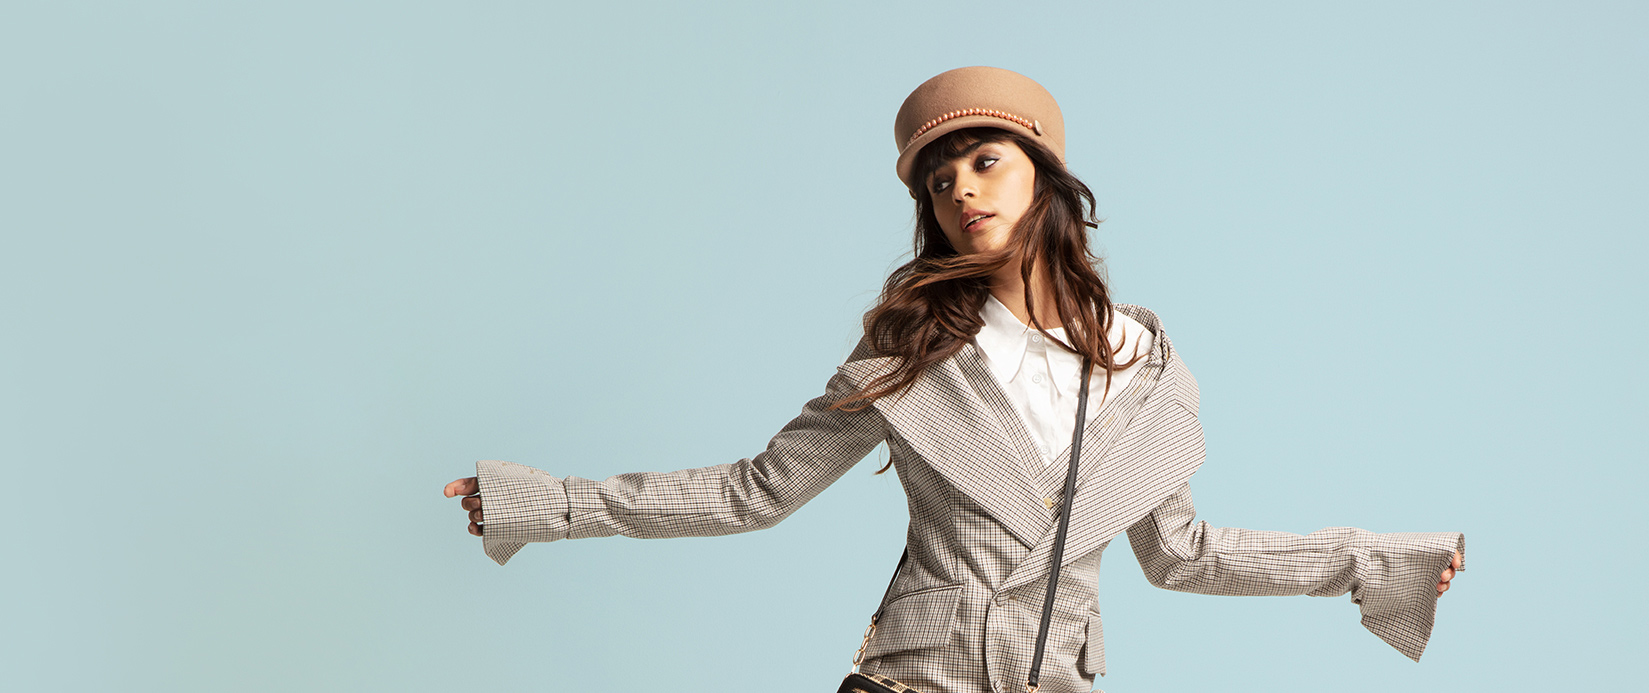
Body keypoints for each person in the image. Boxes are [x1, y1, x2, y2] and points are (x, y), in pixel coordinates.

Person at [443, 66, 1465, 693]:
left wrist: (1371, 563)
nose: (960, 192)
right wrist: (546, 504)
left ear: (1044, 176)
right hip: (909, 684)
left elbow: (1181, 554)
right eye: (939, 182)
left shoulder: (1143, 370)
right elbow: (753, 493)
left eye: (983, 162)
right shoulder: (909, 355)